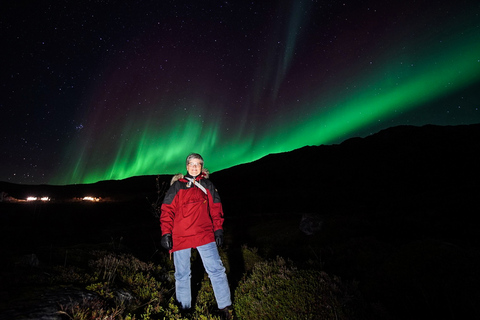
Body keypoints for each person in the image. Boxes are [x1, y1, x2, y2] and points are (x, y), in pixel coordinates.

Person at [160, 153, 232, 317]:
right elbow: (166, 211)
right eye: (191, 164)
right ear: (186, 166)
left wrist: (218, 229)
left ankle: (225, 307)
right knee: (182, 275)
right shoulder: (176, 187)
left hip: (205, 234)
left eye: (197, 164)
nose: (194, 167)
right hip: (180, 237)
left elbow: (216, 208)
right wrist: (166, 233)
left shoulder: (207, 185)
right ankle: (184, 310)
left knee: (216, 270)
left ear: (201, 167)